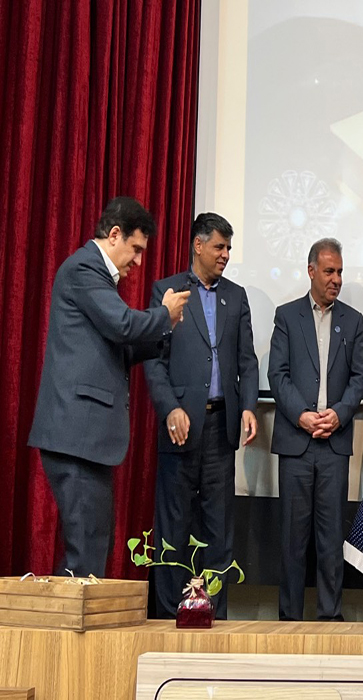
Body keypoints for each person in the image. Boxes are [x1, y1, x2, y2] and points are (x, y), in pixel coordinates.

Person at [28, 196, 189, 578]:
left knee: (92, 548)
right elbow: (123, 325)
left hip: (87, 438)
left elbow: (122, 346)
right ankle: (68, 621)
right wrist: (164, 315)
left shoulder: (96, 277)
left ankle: (74, 618)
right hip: (75, 435)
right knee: (85, 552)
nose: (138, 261)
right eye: (136, 249)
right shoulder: (84, 268)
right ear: (114, 234)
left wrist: (164, 329)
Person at [144, 213, 259, 619]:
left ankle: (214, 616)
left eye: (229, 248)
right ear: (198, 245)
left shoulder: (236, 297)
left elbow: (247, 359)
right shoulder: (167, 291)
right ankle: (166, 616)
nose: (225, 255)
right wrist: (170, 408)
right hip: (180, 427)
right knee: (173, 528)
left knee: (218, 529)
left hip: (220, 428)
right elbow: (154, 361)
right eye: (219, 247)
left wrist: (248, 406)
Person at [268, 238, 363, 621]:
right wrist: (302, 415)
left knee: (330, 541)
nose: (336, 279)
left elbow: (358, 378)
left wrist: (339, 415)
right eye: (329, 271)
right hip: (297, 442)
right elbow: (277, 375)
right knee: (293, 541)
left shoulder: (352, 321)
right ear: (311, 271)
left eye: (340, 271)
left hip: (334, 445)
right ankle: (290, 621)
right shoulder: (286, 316)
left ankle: (330, 619)